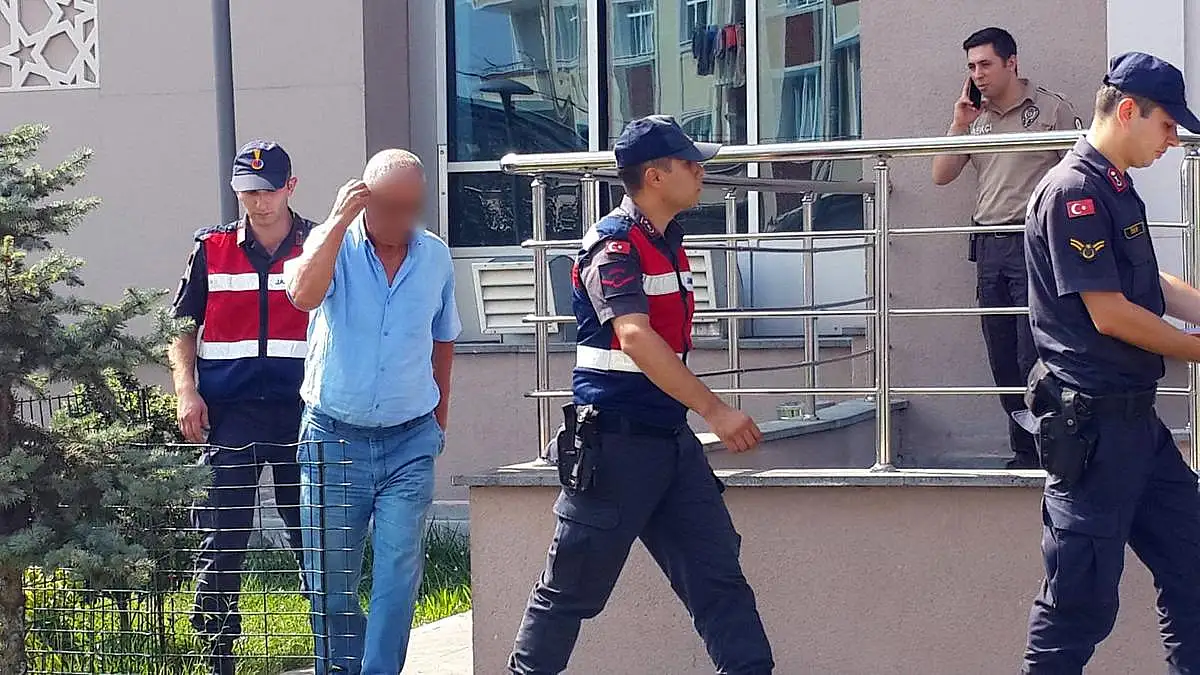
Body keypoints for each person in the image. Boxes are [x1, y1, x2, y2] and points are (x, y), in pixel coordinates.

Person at [507, 115, 775, 675]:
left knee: (720, 582)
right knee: (569, 592)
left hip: (670, 444)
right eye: (689, 163)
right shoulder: (613, 245)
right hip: (614, 447)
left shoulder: (667, 240)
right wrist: (715, 410)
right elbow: (633, 336)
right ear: (654, 176)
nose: (701, 171)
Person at [1019, 52, 1200, 673]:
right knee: (1078, 606)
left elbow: (1150, 285)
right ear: (1128, 111)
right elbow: (1112, 314)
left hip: (1136, 428)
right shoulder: (1073, 192)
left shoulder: (1113, 186)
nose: (1172, 141)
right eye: (1167, 125)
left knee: (1193, 568)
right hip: (1094, 434)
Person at [284, 149, 460, 675]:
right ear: (363, 199)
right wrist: (338, 221)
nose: (401, 219)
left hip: (410, 440)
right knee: (331, 578)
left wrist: (439, 417)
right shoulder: (331, 244)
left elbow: (443, 338)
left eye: (411, 207)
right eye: (389, 206)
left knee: (397, 573)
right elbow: (302, 295)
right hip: (334, 438)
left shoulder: (435, 256)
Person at [169, 140, 314, 675]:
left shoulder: (319, 244)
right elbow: (181, 326)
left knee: (312, 535)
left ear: (290, 187)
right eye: (248, 192)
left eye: (268, 190)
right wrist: (186, 390)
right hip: (230, 414)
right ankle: (217, 655)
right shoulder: (211, 248)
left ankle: (332, 644)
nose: (259, 202)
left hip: (303, 413)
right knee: (222, 538)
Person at [931, 27, 1084, 469]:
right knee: (1001, 355)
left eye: (985, 64)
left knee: (1032, 353)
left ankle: (1050, 449)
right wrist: (959, 124)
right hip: (988, 245)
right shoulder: (974, 117)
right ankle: (1023, 452)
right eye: (971, 67)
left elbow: (1079, 176)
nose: (977, 74)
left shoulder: (1050, 109)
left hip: (1033, 244)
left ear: (1011, 62)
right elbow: (941, 174)